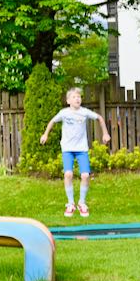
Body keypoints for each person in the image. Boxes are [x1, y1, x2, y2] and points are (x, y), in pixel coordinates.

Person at [40, 87, 110, 217]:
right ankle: (70, 203)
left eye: (79, 97)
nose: (77, 99)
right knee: (68, 174)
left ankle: (82, 203)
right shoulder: (64, 113)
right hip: (67, 149)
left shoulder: (84, 112)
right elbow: (52, 121)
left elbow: (99, 118)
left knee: (85, 176)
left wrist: (105, 133)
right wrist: (45, 134)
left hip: (81, 149)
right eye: (74, 97)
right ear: (68, 101)